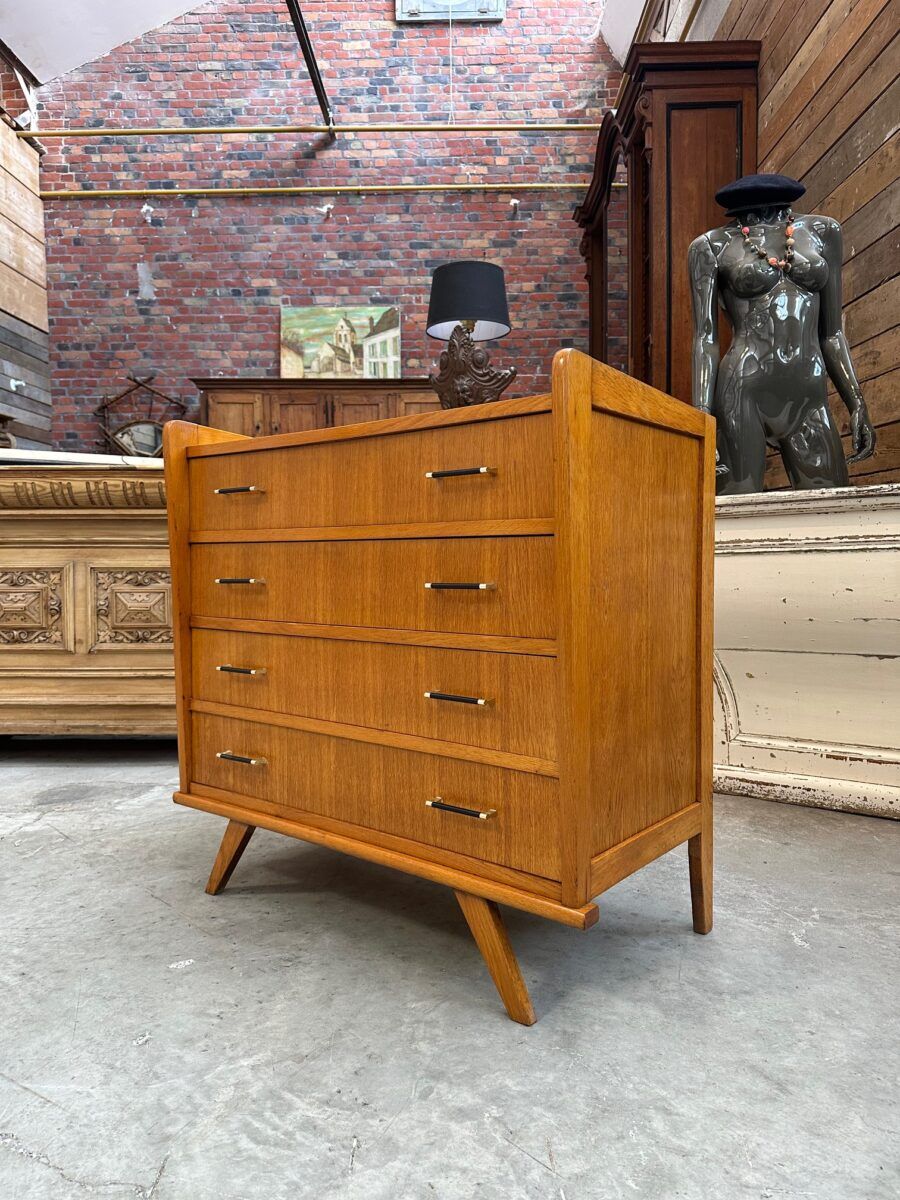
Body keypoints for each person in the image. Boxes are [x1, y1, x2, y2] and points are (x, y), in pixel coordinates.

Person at [689, 172, 876, 493]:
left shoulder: (823, 232)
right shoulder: (711, 246)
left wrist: (856, 401)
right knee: (735, 513)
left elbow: (832, 332)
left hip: (808, 393)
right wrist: (702, 418)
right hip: (744, 388)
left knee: (830, 507)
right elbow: (705, 338)